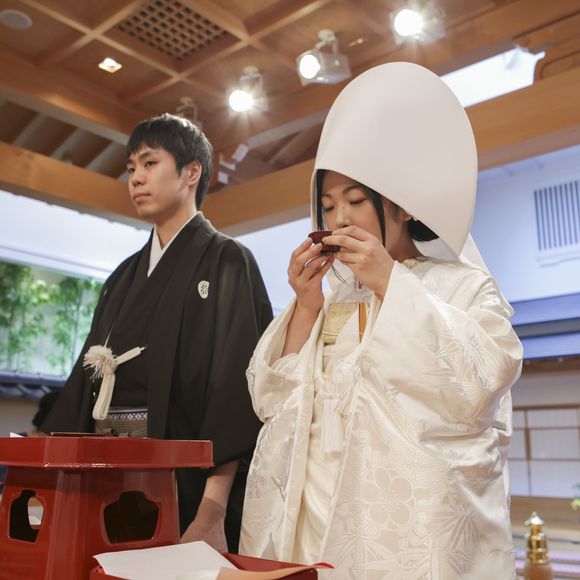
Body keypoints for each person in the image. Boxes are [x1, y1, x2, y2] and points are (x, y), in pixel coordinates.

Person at [240, 63, 523, 578]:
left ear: (404, 206)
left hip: (396, 531)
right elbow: (272, 401)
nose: (339, 219)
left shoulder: (462, 286)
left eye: (355, 201)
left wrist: (391, 281)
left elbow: (478, 388)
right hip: (310, 517)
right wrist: (306, 305)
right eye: (328, 205)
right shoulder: (332, 297)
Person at [41, 113, 273, 553]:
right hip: (107, 481)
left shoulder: (228, 261)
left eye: (150, 163)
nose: (136, 178)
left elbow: (234, 389)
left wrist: (212, 509)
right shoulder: (123, 276)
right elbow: (82, 388)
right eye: (131, 168)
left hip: (183, 487)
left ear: (191, 172)